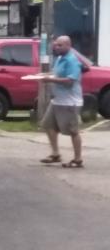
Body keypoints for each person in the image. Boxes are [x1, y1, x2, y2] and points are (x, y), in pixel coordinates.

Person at [40, 35, 84, 168]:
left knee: (73, 131)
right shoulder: (59, 58)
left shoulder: (72, 60)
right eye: (56, 45)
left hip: (70, 102)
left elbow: (70, 82)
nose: (56, 47)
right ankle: (55, 154)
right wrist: (46, 76)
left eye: (60, 45)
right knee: (48, 125)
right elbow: (58, 75)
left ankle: (78, 159)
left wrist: (50, 80)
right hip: (58, 100)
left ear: (68, 46)